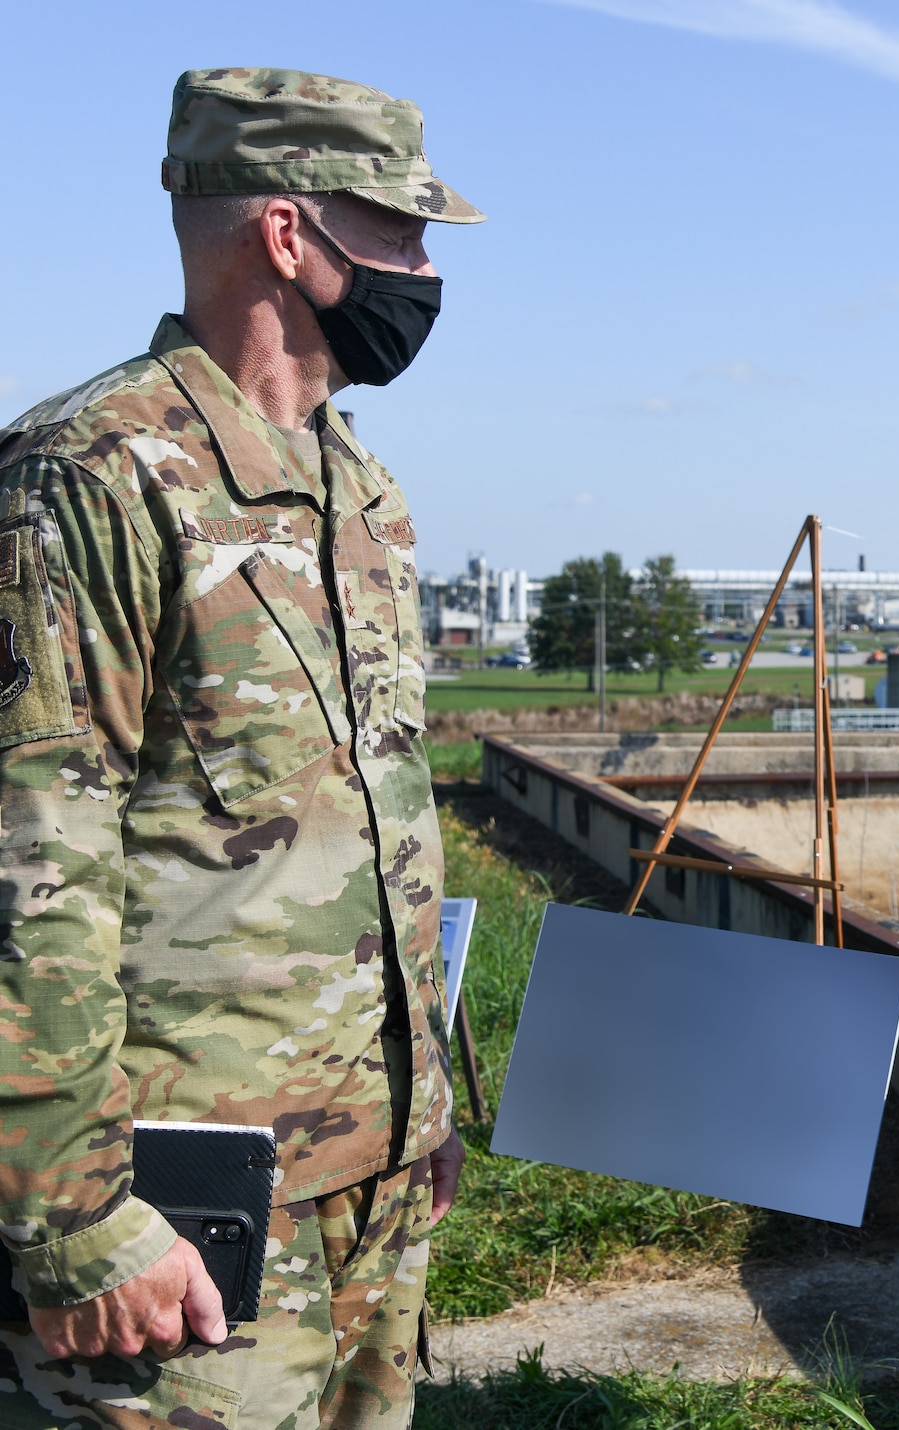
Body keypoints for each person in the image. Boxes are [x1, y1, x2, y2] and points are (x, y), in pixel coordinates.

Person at [0, 68, 484, 1428]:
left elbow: (371, 821)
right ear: (291, 238)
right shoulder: (90, 478)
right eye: (401, 233)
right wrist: (75, 1219)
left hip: (370, 1184)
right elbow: (30, 870)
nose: (425, 270)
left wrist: (419, 1104)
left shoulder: (360, 489)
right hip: (180, 1206)